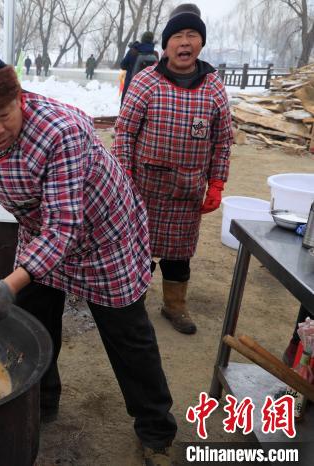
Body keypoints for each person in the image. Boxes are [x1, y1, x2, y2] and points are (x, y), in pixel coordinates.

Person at [0, 43, 176, 466]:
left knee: (127, 335)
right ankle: (42, 401)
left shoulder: (61, 131)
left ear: (19, 97)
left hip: (105, 235)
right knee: (33, 324)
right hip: (41, 232)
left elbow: (65, 227)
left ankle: (155, 429)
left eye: (4, 114)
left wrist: (10, 282)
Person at [113, 4, 233, 335]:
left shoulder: (213, 88)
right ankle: (130, 306)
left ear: (200, 44)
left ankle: (174, 306)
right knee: (138, 253)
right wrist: (123, 180)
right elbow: (124, 134)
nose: (184, 42)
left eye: (191, 35)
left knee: (178, 257)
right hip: (144, 190)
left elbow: (222, 141)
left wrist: (217, 183)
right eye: (177, 36)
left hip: (186, 192)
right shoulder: (146, 83)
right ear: (165, 46)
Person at [120, 32, 159, 103]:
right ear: (151, 40)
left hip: (131, 86)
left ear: (142, 39)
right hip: (149, 88)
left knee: (126, 106)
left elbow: (123, 65)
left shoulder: (132, 51)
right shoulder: (155, 54)